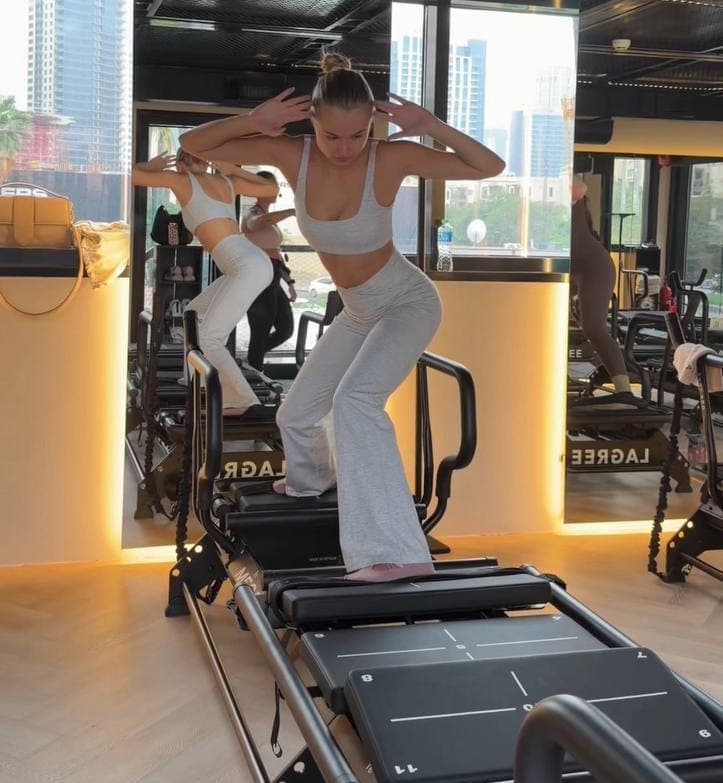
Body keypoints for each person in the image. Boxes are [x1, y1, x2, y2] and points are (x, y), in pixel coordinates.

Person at [179, 52, 505, 582]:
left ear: (372, 128)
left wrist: (431, 127)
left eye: (358, 136)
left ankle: (397, 552)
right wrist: (252, 122)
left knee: (354, 403)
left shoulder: (391, 158)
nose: (347, 148)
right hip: (358, 311)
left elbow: (489, 167)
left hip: (405, 303)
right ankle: (311, 482)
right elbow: (192, 145)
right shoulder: (293, 155)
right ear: (313, 123)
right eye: (334, 137)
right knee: (297, 412)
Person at [132, 149, 278, 420]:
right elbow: (270, 187)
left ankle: (244, 400)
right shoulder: (225, 181)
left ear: (183, 162)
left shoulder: (184, 180)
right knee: (194, 314)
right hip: (249, 262)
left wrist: (149, 165)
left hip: (246, 265)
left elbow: (132, 176)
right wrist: (233, 171)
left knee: (210, 336)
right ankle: (194, 376)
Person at [571, 178, 635, 403]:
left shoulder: (568, 191)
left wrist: (558, 178)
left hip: (594, 267)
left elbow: (580, 187)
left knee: (594, 327)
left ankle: (624, 391)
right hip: (569, 270)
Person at [241, 171, 297, 372]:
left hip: (273, 277)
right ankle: (254, 370)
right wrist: (290, 212)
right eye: (271, 187)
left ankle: (251, 361)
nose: (276, 191)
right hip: (258, 278)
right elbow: (257, 224)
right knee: (260, 330)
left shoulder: (267, 218)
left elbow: (277, 255)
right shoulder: (252, 213)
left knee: (286, 329)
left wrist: (290, 284)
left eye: (276, 187)